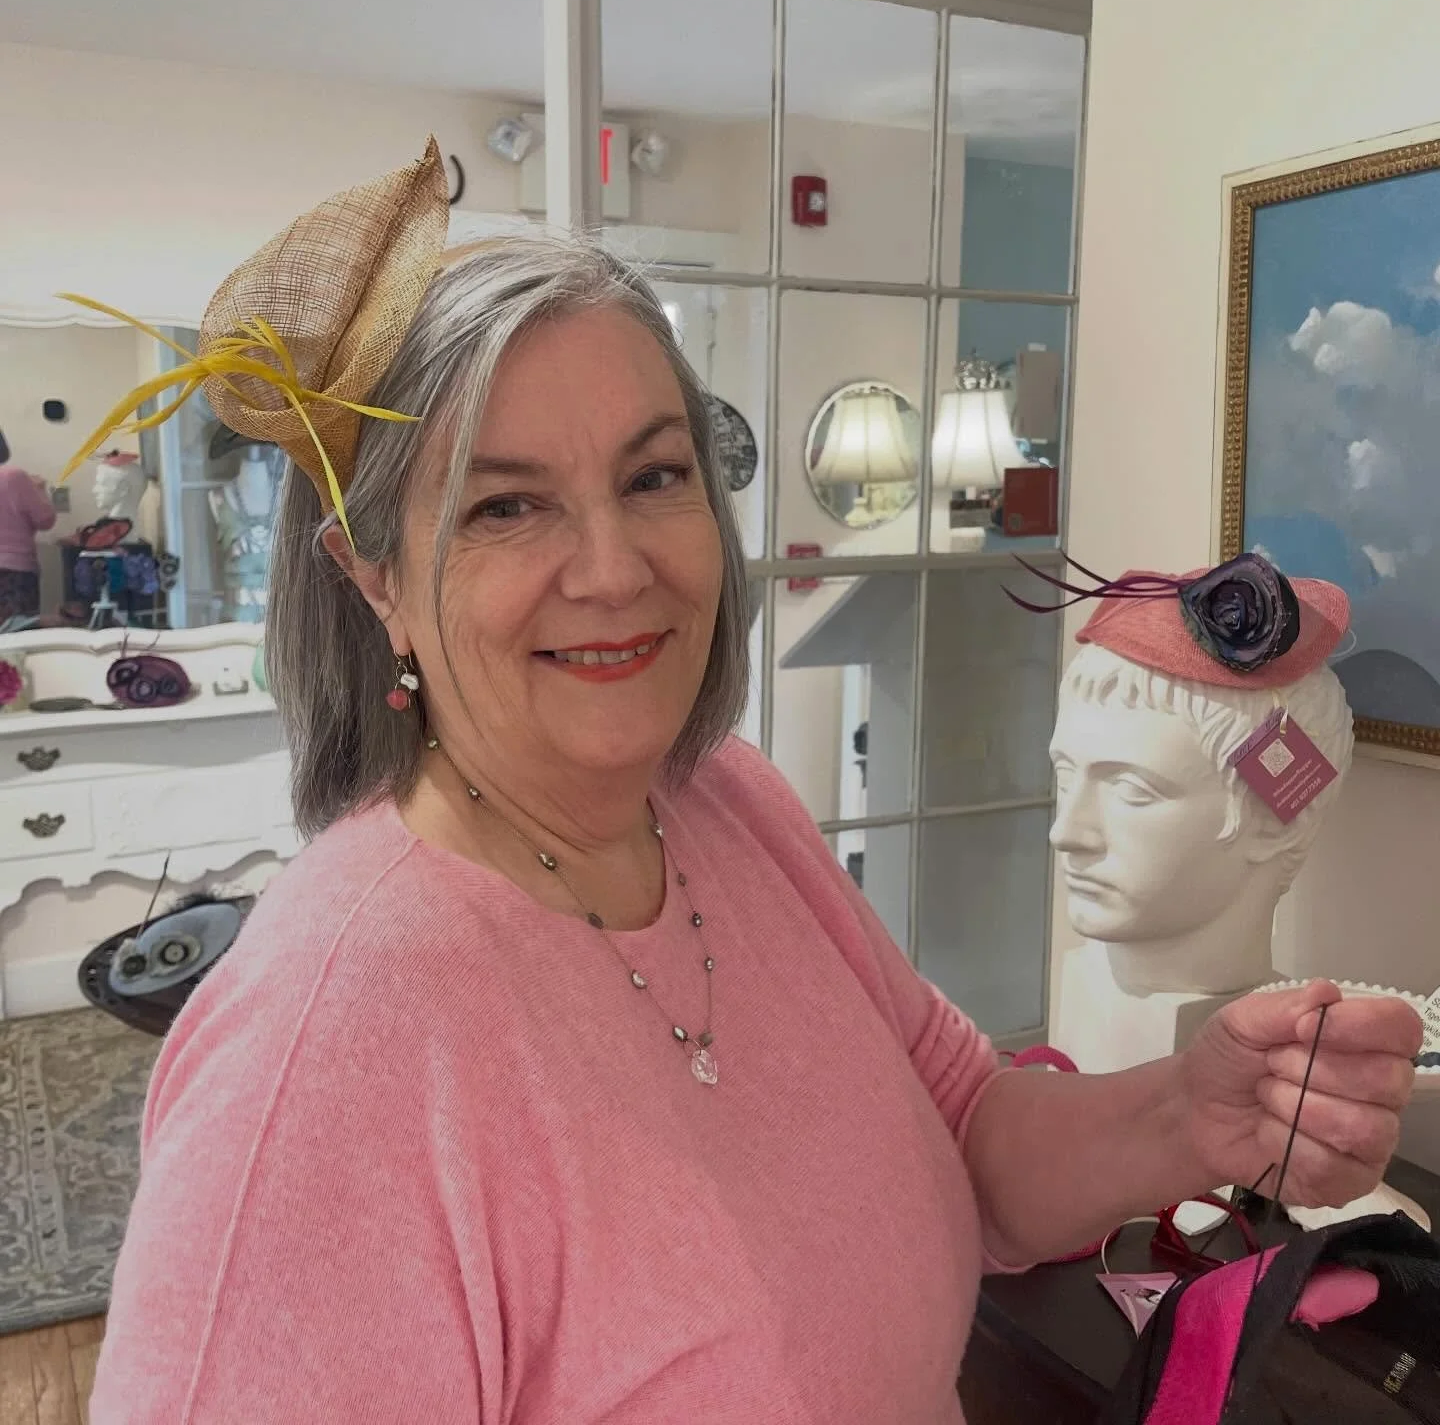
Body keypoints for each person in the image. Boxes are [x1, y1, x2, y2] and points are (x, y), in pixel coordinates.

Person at [85, 143, 1420, 1424]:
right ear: (373, 576)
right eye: (506, 505)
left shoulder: (726, 805)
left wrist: (1187, 1111)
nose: (615, 569)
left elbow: (967, 1132)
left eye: (653, 476)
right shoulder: (323, 1048)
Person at [0, 434, 57, 624]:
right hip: (14, 571)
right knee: (19, 633)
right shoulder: (14, 476)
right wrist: (40, 489)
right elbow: (45, 520)